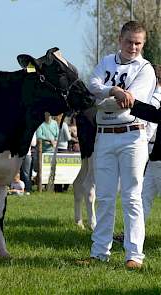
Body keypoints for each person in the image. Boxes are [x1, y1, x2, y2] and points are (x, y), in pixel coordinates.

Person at [87, 21, 156, 269]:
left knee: (131, 197)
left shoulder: (145, 69)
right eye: (129, 41)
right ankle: (99, 253)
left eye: (138, 43)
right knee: (104, 196)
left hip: (132, 136)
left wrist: (104, 97)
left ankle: (134, 255)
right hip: (104, 135)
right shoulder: (106, 61)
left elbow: (129, 103)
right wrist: (114, 90)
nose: (133, 47)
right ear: (120, 39)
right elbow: (90, 88)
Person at [129, 64, 161, 222]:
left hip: (158, 157)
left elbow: (155, 116)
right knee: (143, 198)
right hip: (155, 157)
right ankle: (133, 235)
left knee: (143, 198)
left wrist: (132, 104)